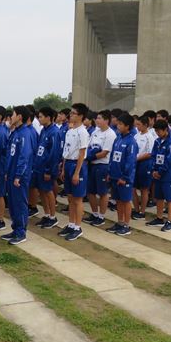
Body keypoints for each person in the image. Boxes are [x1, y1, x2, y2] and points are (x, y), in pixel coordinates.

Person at [1, 105, 34, 245]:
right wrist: (7, 172)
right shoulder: (15, 132)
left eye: (13, 115)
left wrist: (18, 175)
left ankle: (21, 232)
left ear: (20, 117)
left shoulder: (25, 133)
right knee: (13, 204)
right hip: (11, 173)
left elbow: (24, 156)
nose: (11, 117)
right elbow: (10, 154)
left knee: (20, 203)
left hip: (19, 176)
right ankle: (15, 229)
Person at [57, 103, 90, 241]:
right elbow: (66, 151)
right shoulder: (70, 131)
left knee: (77, 198)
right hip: (68, 164)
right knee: (70, 197)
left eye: (73, 113)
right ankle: (71, 224)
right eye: (70, 113)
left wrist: (77, 173)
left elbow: (82, 153)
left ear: (81, 116)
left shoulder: (83, 132)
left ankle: (78, 227)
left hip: (78, 165)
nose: (70, 115)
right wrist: (64, 168)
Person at [106, 113, 138, 236]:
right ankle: (120, 222)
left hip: (124, 178)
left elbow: (130, 161)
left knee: (126, 201)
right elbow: (112, 156)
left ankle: (126, 225)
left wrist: (125, 177)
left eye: (120, 124)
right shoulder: (118, 138)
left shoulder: (131, 142)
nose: (118, 126)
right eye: (118, 123)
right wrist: (110, 172)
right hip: (114, 175)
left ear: (127, 126)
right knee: (118, 201)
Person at [84, 109, 116, 227]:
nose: (97, 120)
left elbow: (104, 153)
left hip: (103, 165)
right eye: (97, 118)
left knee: (103, 192)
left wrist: (90, 157)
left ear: (106, 120)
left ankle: (101, 216)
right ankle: (94, 214)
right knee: (90, 191)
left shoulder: (110, 134)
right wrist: (88, 156)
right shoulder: (95, 131)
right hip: (92, 165)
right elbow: (89, 146)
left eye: (99, 118)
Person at [146, 119, 171, 232]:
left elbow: (170, 159)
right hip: (157, 174)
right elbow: (153, 156)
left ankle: (170, 221)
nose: (157, 133)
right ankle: (159, 218)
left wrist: (160, 171)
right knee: (159, 197)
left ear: (165, 130)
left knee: (170, 199)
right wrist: (154, 170)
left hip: (168, 175)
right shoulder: (157, 141)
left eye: (159, 131)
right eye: (156, 131)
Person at [33, 107, 61, 229]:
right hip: (39, 167)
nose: (39, 119)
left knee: (48, 191)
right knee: (42, 191)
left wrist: (48, 170)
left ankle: (53, 217)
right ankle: (47, 214)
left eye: (41, 117)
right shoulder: (43, 130)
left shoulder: (54, 132)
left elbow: (54, 153)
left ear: (48, 117)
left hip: (47, 168)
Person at [132, 115, 155, 219]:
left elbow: (150, 153)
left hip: (145, 164)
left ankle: (142, 211)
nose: (137, 127)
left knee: (144, 189)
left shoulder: (149, 137)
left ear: (146, 125)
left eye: (139, 124)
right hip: (135, 163)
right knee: (132, 188)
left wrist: (137, 158)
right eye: (136, 124)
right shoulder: (136, 136)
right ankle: (136, 209)